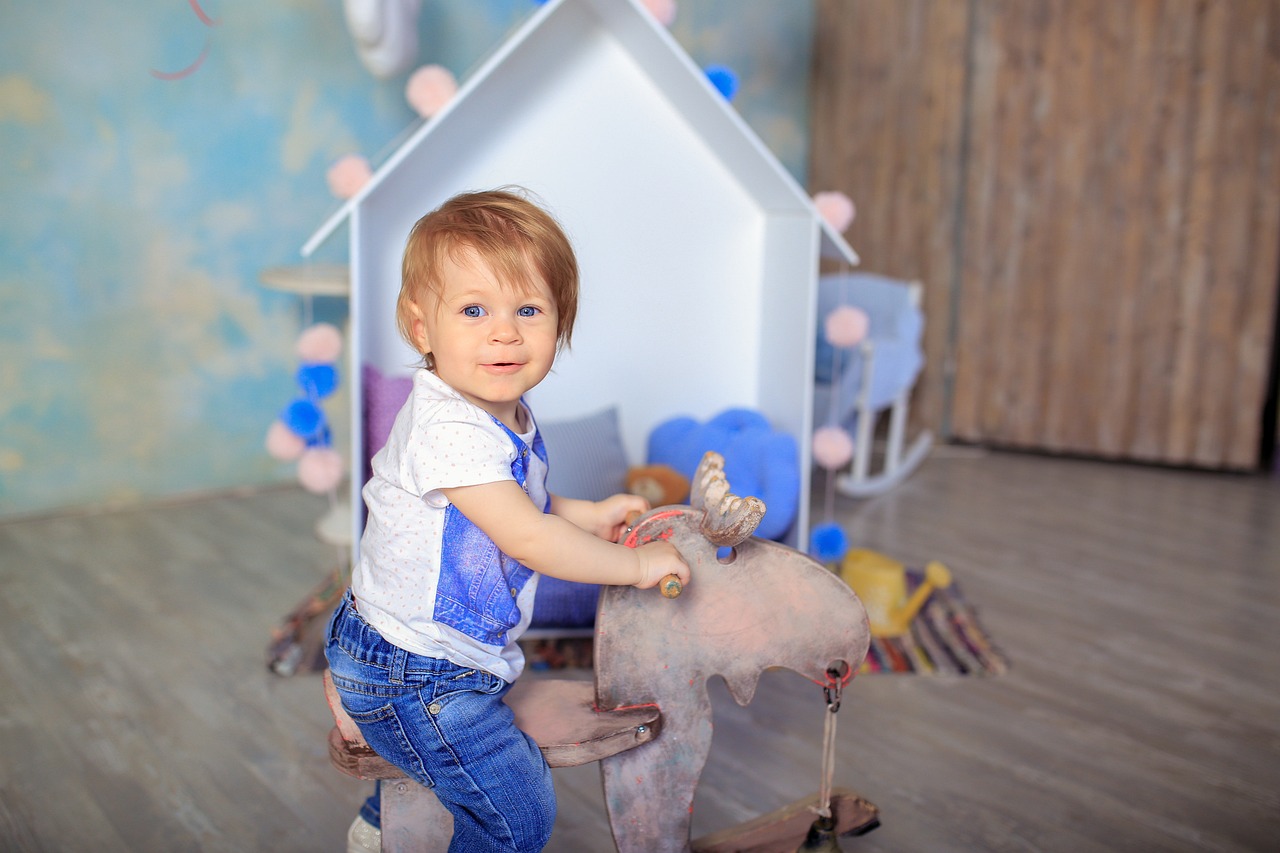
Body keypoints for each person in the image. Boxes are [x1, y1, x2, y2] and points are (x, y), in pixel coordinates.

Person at [325, 188, 691, 853]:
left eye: (528, 309)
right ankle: (391, 812)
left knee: (453, 757)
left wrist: (593, 514)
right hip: (416, 668)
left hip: (419, 648)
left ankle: (385, 826)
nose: (505, 331)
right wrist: (637, 565)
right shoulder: (451, 429)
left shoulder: (499, 413)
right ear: (421, 328)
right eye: (473, 310)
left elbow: (524, 505)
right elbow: (526, 535)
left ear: (560, 321)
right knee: (515, 813)